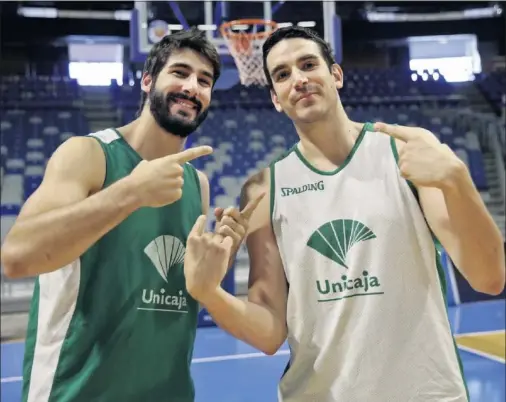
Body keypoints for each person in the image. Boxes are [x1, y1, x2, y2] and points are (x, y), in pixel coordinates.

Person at [183, 26, 506, 402]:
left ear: (335, 75)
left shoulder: (405, 153)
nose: (299, 79)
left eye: (308, 65)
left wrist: (457, 179)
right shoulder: (263, 189)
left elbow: (489, 278)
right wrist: (208, 292)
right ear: (275, 98)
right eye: (283, 74)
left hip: (426, 393)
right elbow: (269, 333)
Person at [0, 28, 249, 402]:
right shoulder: (88, 155)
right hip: (77, 392)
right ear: (148, 81)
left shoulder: (197, 185)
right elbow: (17, 257)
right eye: (180, 73)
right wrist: (130, 192)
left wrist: (216, 263)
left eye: (204, 80)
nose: (193, 87)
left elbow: (173, 294)